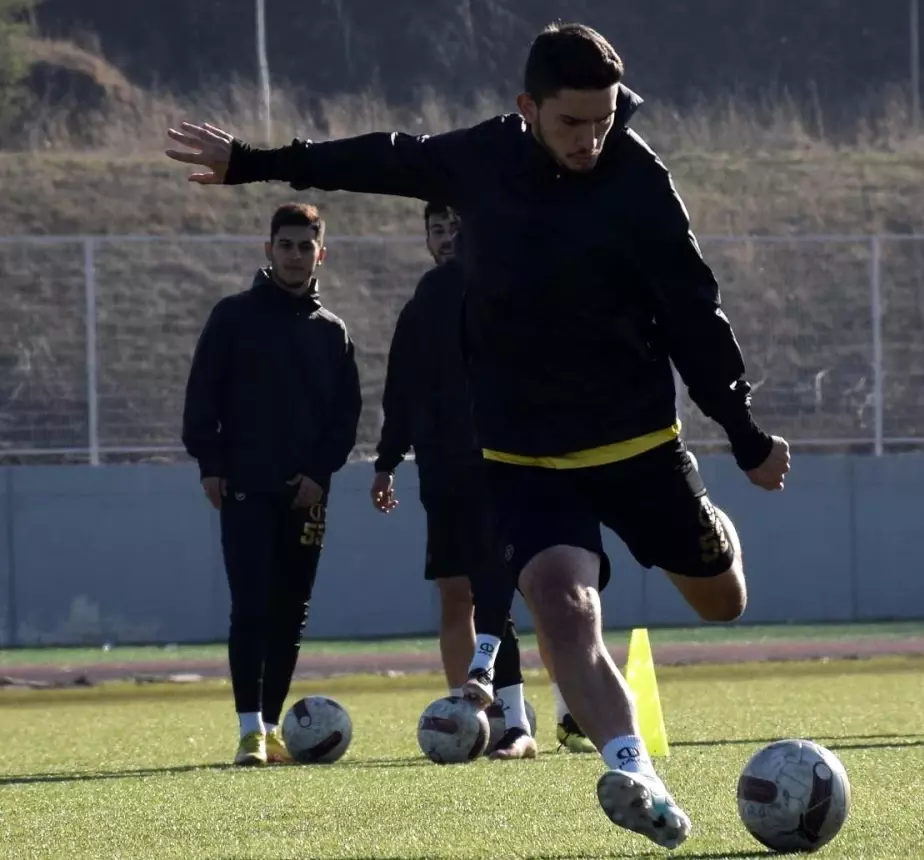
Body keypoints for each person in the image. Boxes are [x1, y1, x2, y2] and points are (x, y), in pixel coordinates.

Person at [165, 21, 788, 848]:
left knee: (722, 600)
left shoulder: (639, 182)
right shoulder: (482, 158)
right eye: (572, 122)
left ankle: (708, 531)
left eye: (604, 120)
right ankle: (635, 770)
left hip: (636, 444)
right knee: (565, 609)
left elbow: (694, 317)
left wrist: (742, 434)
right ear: (528, 107)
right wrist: (253, 161)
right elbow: (381, 158)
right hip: (524, 453)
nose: (591, 139)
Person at [372, 202, 597, 759]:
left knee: (516, 589)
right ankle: (472, 718)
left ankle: (537, 718)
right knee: (457, 592)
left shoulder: (502, 288)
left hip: (499, 465)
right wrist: (387, 458)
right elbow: (400, 388)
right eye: (437, 228)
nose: (447, 237)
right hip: (441, 471)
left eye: (455, 226)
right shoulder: (422, 303)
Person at [182, 203, 363, 766]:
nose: (294, 255)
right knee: (252, 608)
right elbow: (201, 399)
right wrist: (210, 464)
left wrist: (319, 473)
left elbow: (345, 417)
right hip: (245, 486)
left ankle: (269, 723)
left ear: (320, 254)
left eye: (305, 247)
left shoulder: (332, 333)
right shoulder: (232, 317)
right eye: (284, 245)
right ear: (268, 250)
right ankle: (248, 731)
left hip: (307, 496)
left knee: (290, 612)